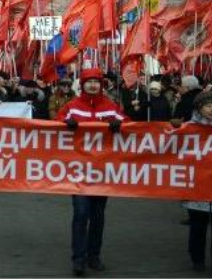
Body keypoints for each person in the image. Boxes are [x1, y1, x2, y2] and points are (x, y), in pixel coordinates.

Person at [55, 68, 129, 276]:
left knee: (97, 216)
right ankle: (78, 259)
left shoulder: (111, 107)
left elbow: (132, 126)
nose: (93, 85)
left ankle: (94, 256)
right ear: (83, 84)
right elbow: (52, 126)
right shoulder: (72, 106)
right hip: (78, 171)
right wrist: (64, 123)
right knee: (80, 214)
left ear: (101, 85)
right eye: (89, 82)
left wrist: (119, 125)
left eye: (97, 82)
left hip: (102, 171)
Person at [172, 92, 212, 279]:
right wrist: (173, 128)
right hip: (197, 186)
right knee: (198, 225)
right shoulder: (189, 128)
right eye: (207, 106)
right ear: (199, 108)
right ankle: (197, 257)